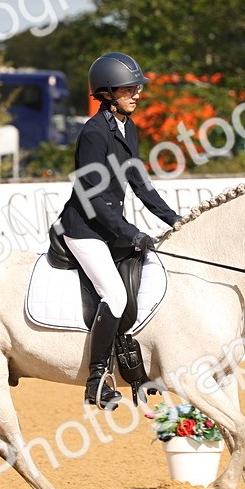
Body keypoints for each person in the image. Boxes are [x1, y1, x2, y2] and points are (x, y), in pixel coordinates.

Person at [54, 52, 182, 408]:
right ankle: (96, 379)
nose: (137, 94)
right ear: (107, 92)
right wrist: (130, 232)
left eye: (137, 88)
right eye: (128, 89)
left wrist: (175, 219)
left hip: (109, 229)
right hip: (84, 229)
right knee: (114, 294)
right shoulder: (94, 133)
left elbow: (140, 183)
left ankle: (135, 370)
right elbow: (92, 197)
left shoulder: (127, 127)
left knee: (144, 282)